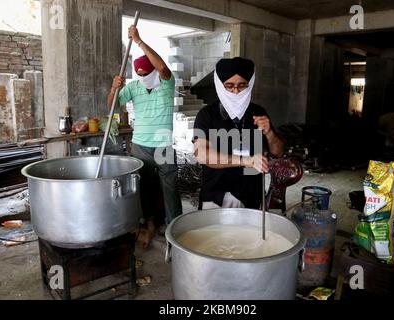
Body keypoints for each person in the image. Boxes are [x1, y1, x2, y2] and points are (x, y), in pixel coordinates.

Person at [108, 25, 182, 248]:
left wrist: (138, 41)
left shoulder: (166, 84)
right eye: (138, 75)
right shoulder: (134, 87)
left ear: (153, 72)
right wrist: (113, 89)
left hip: (163, 145)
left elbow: (162, 66)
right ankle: (149, 224)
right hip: (140, 144)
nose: (142, 78)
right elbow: (111, 106)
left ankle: (175, 227)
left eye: (145, 74)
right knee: (146, 187)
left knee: (170, 186)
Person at [193, 57, 284, 210]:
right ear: (220, 86)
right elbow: (201, 154)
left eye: (242, 86)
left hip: (251, 194)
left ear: (250, 84)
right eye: (229, 86)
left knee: (249, 233)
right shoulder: (207, 115)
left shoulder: (258, 112)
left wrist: (269, 133)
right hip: (216, 194)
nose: (236, 92)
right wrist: (245, 160)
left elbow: (278, 152)